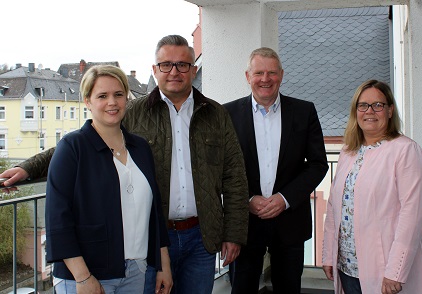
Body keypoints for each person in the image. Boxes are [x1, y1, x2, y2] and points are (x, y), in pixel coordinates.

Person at [0, 35, 249, 294]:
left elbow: (234, 175)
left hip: (202, 236)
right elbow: (83, 143)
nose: (174, 71)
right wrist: (28, 167)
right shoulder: (133, 111)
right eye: (166, 64)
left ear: (193, 70)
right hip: (151, 238)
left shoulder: (216, 114)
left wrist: (233, 233)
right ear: (154, 70)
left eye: (182, 65)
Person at [45, 65, 172, 294]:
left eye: (118, 94)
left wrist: (163, 265)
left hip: (135, 271)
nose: (112, 102)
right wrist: (83, 278)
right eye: (102, 96)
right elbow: (58, 220)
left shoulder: (140, 148)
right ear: (88, 101)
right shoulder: (72, 148)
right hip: (85, 277)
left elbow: (154, 213)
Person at [224, 47, 329, 294]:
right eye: (259, 72)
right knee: (241, 288)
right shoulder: (226, 113)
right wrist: (247, 199)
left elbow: (318, 164)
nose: (265, 79)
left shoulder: (304, 111)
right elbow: (220, 167)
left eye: (272, 72)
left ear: (281, 75)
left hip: (290, 222)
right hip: (244, 224)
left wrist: (284, 199)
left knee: (289, 289)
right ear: (247, 76)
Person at [322, 80, 422, 294]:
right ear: (356, 111)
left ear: (390, 110)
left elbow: (413, 216)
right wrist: (328, 255)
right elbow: (334, 208)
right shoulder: (348, 152)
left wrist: (395, 271)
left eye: (378, 105)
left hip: (385, 273)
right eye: (363, 105)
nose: (369, 111)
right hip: (348, 270)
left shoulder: (405, 151)